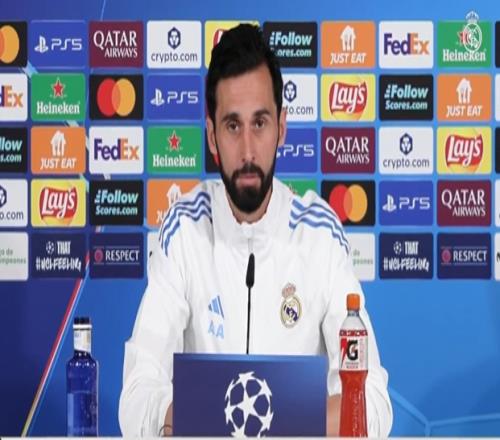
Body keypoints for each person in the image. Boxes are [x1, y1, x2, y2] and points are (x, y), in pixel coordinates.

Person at [119, 23, 392, 437]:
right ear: (212, 136)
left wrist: (242, 418)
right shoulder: (184, 229)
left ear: (282, 127)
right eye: (232, 126)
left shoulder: (319, 236)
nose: (247, 151)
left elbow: (372, 405)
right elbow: (137, 397)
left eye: (260, 123)